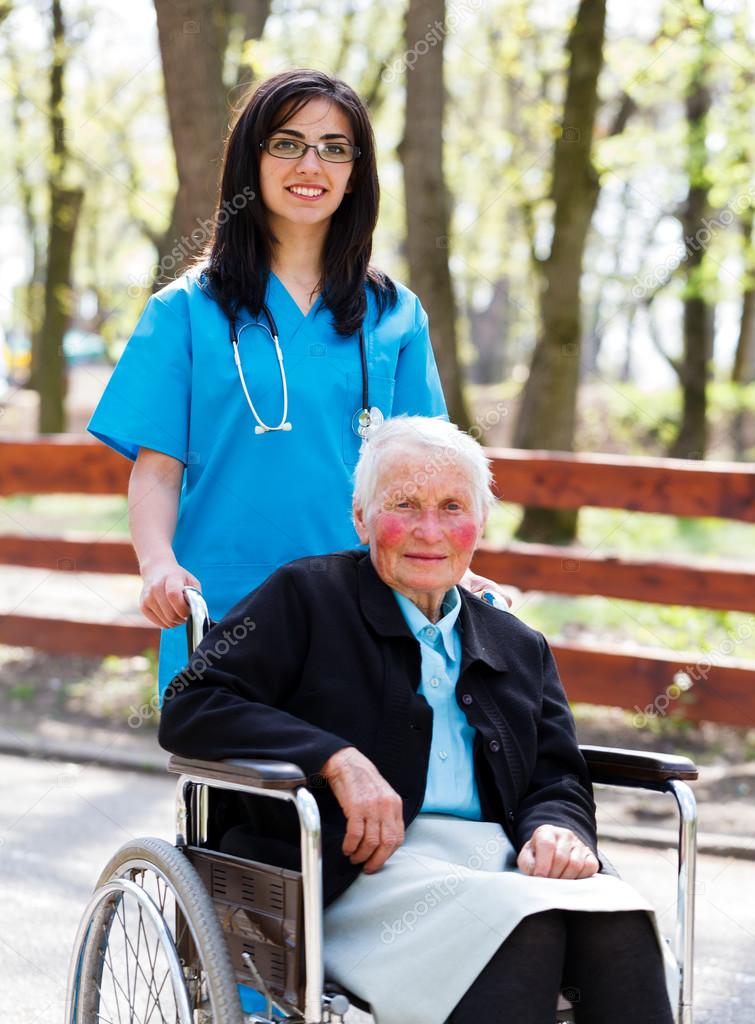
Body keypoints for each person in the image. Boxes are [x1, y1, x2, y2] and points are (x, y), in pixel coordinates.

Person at [158, 416, 676, 1024]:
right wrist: (334, 757)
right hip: (360, 871)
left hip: (505, 863)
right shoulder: (306, 596)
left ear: (478, 526)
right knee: (522, 928)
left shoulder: (517, 645)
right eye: (404, 504)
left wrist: (558, 829)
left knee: (616, 921)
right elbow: (192, 702)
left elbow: (556, 776)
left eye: (452, 507)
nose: (430, 531)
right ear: (361, 517)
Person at [87, 68, 502, 697]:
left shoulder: (396, 315)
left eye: (335, 148)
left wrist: (450, 568)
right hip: (226, 609)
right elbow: (157, 470)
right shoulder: (183, 312)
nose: (312, 164)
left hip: (368, 612)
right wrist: (158, 565)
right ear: (250, 161)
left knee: (362, 787)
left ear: (355, 172)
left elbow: (429, 474)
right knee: (238, 787)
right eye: (287, 143)